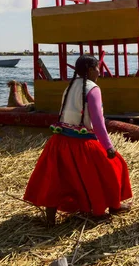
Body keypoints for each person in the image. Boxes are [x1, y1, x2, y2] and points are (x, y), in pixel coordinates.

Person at [23, 54, 132, 225]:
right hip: (81, 143)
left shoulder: (70, 86)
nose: (99, 71)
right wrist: (108, 147)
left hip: (59, 140)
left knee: (56, 179)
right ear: (90, 70)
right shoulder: (93, 89)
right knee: (116, 165)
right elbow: (98, 122)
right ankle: (111, 206)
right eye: (97, 67)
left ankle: (50, 219)